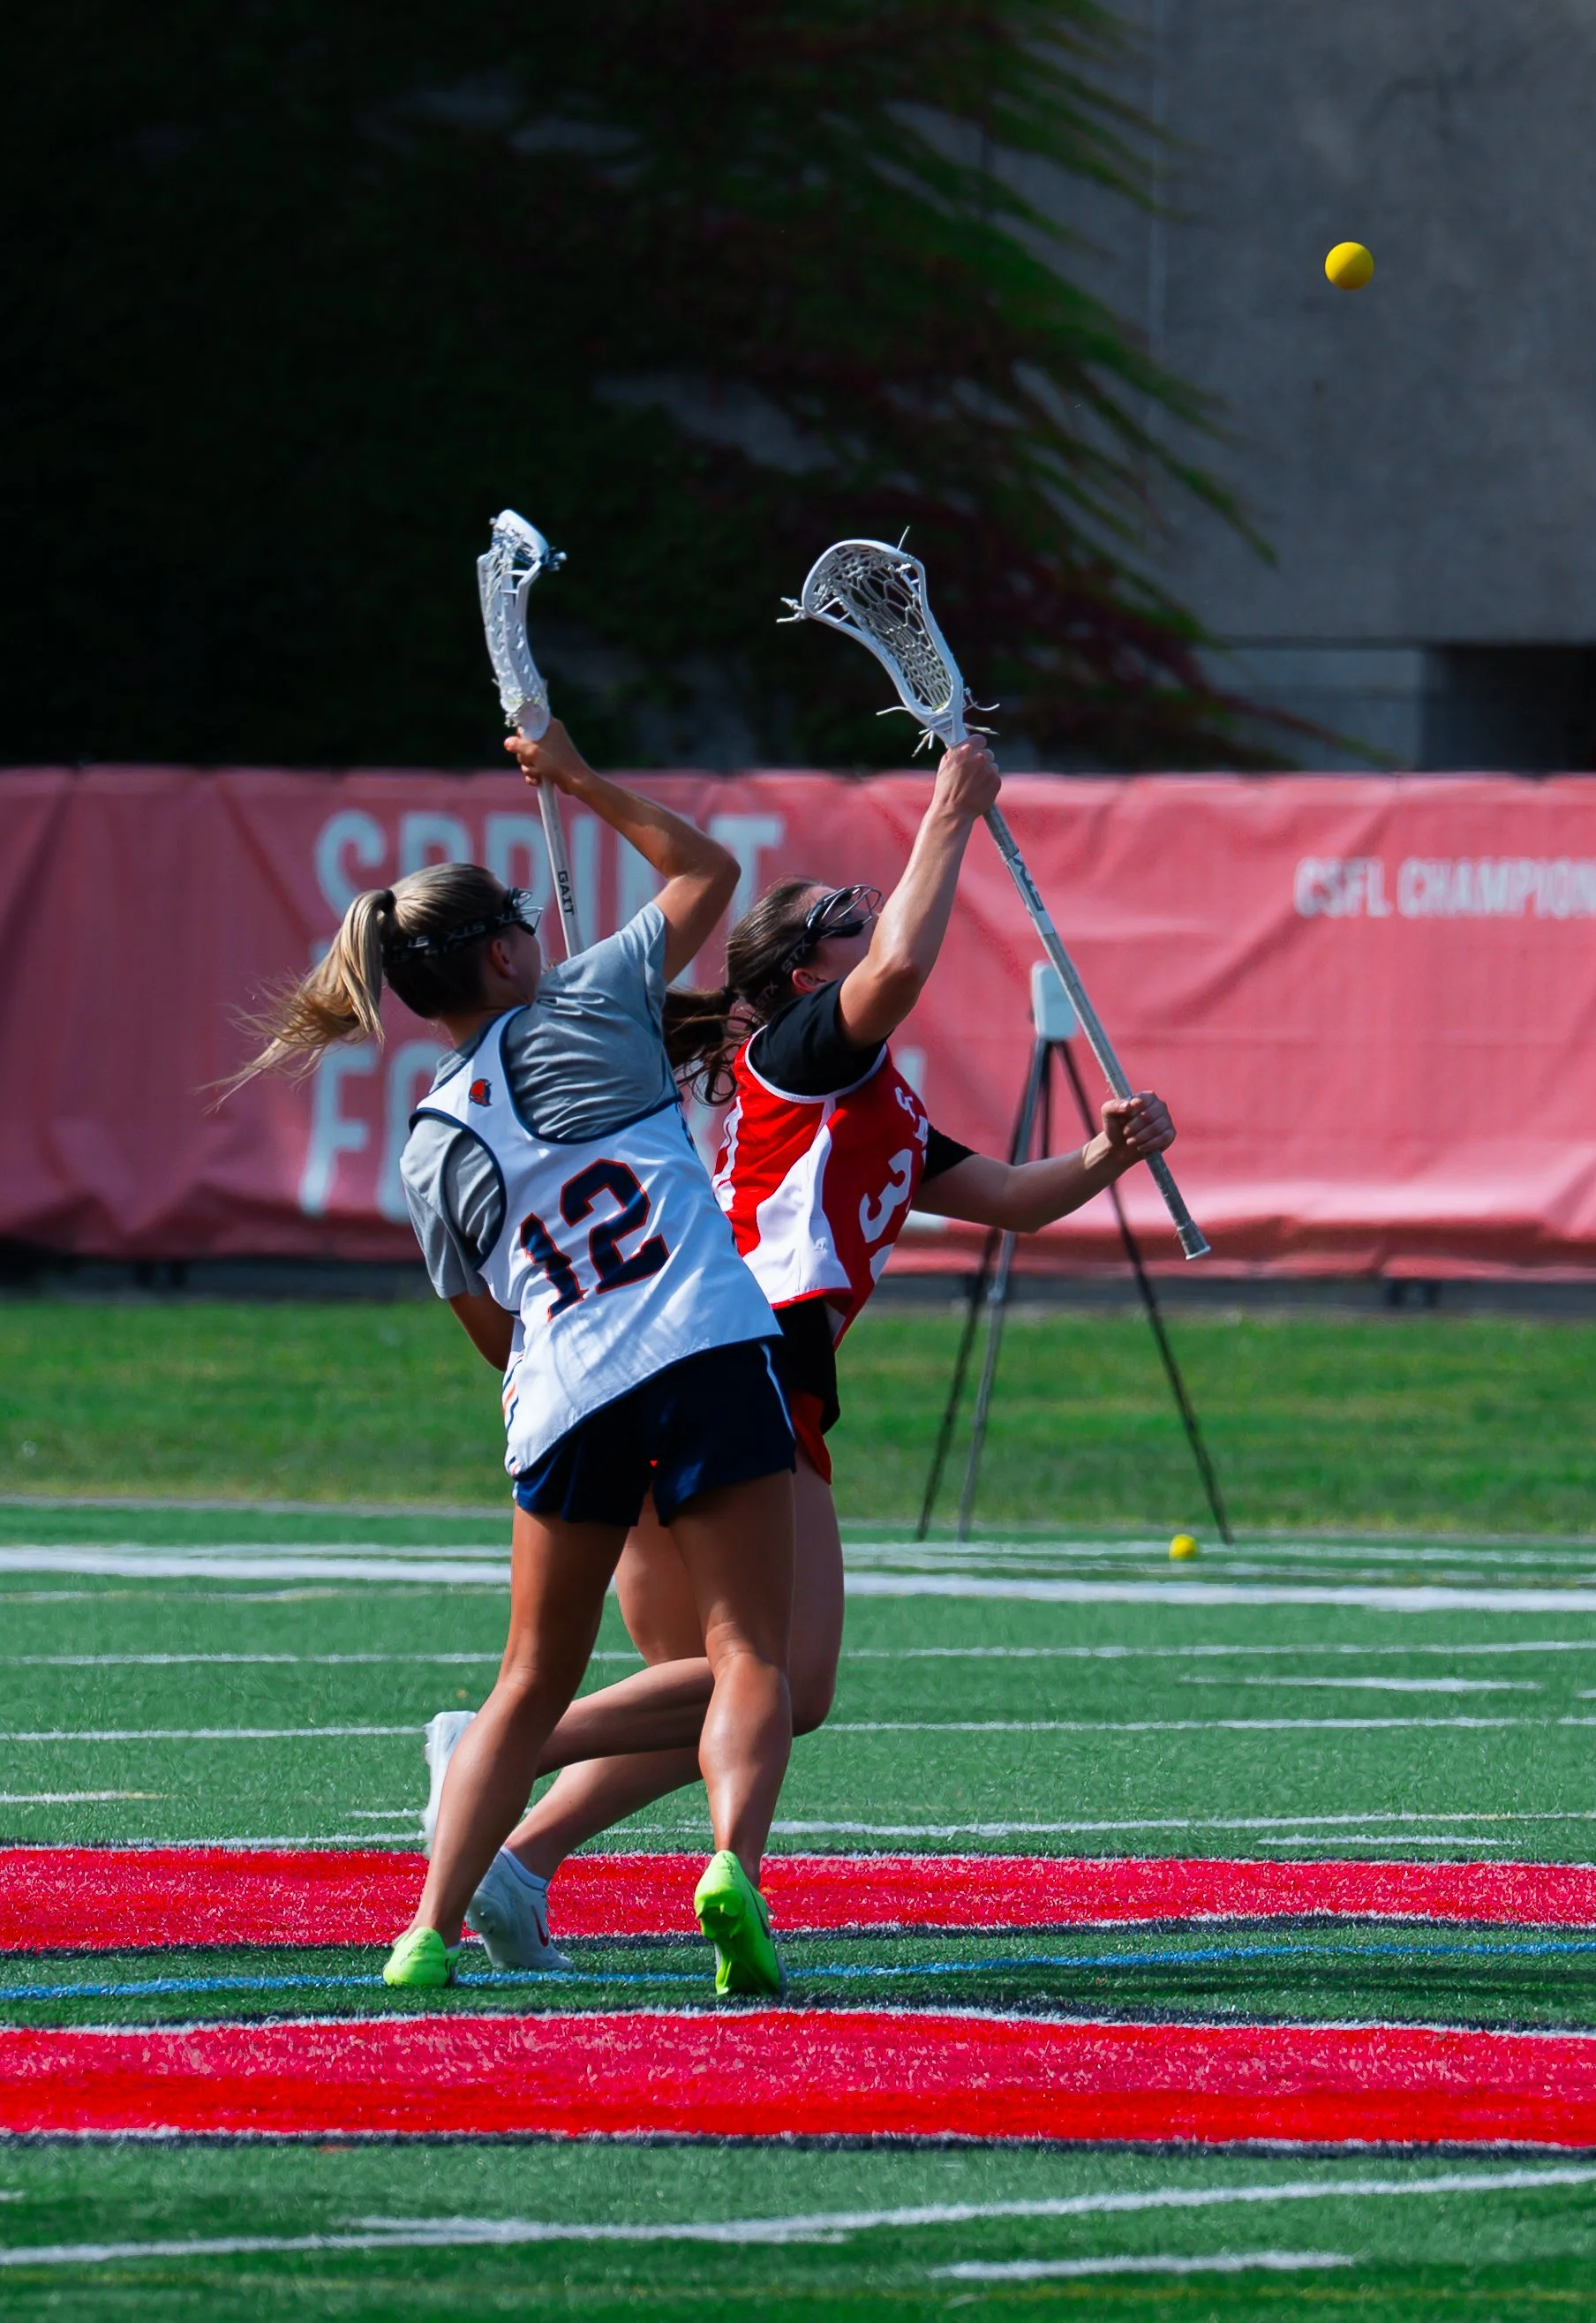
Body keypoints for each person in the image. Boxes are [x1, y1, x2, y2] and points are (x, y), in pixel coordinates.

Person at [446, 735, 1177, 1943]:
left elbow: (1008, 1196)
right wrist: (949, 813)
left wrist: (1107, 1155)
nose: (870, 918)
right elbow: (894, 972)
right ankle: (489, 1758)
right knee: (787, 1686)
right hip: (747, 1361)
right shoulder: (798, 1056)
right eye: (844, 917)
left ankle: (515, 1861)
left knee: (720, 1696)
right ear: (795, 978)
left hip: (654, 1365)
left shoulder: (865, 1097)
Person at [237, 720, 798, 1997]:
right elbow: (704, 871)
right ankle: (730, 1871)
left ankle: (424, 1933)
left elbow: (486, 1321)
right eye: (521, 932)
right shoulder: (595, 1000)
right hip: (700, 1344)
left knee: (528, 1680)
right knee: (748, 1652)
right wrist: (579, 779)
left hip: (558, 1392)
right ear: (500, 947)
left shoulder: (429, 1141)